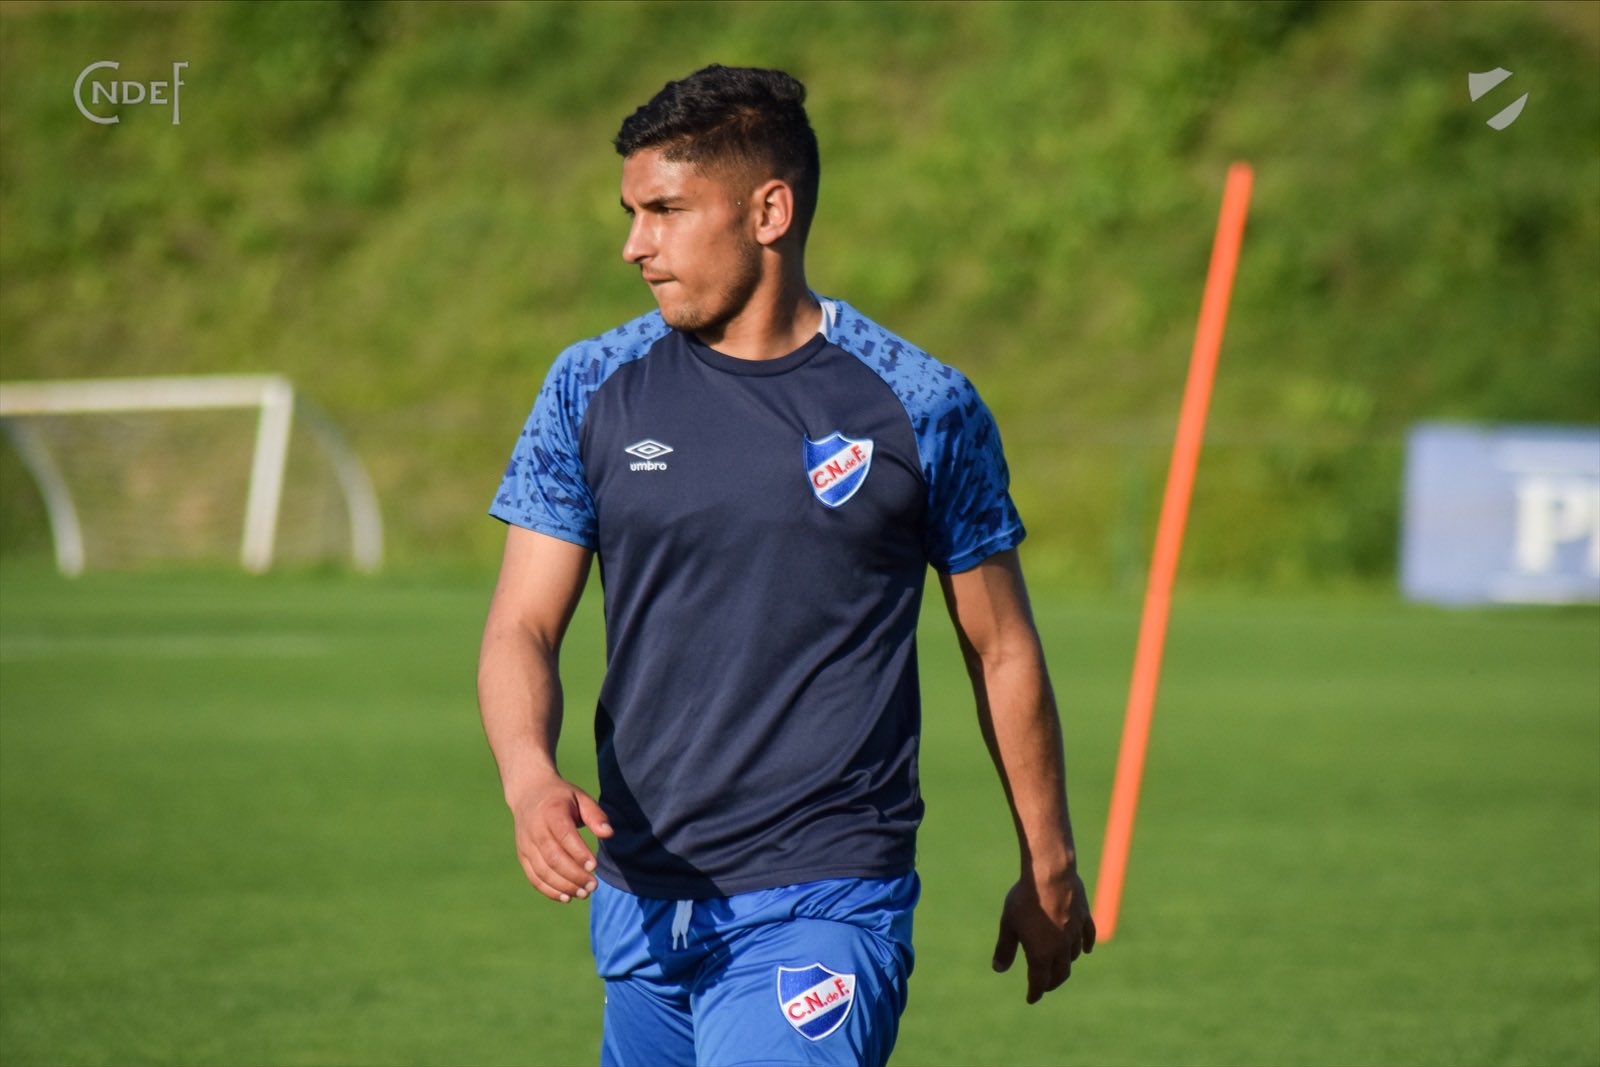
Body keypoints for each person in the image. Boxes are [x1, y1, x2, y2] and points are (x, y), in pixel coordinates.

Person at [477, 64, 1094, 1067]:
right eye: (630, 212)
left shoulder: (920, 405)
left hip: (825, 894)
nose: (634, 244)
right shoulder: (591, 384)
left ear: (770, 210)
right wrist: (527, 777)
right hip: (642, 896)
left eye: (666, 210)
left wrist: (1049, 860)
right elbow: (522, 624)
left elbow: (1001, 646)